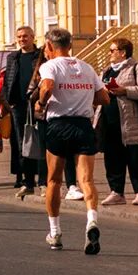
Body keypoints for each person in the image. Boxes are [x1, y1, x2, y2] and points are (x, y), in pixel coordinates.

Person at [35, 27, 108, 254]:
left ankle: (55, 232)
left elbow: (47, 86)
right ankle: (91, 221)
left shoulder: (49, 65)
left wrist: (41, 103)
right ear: (70, 45)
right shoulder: (87, 67)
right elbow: (104, 98)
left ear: (49, 46)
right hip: (83, 126)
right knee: (87, 180)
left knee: (54, 181)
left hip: (59, 125)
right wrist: (83, 98)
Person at [99, 37, 138, 206]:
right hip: (110, 121)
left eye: (112, 50)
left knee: (137, 157)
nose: (110, 53)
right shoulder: (107, 70)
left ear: (123, 52)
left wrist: (124, 91)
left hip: (132, 122)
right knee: (113, 157)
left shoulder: (137, 67)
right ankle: (116, 192)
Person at [5, 26, 44, 194]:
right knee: (23, 144)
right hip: (18, 106)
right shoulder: (13, 57)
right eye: (19, 37)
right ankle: (27, 181)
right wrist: (9, 101)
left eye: (25, 36)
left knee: (41, 141)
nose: (22, 39)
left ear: (33, 37)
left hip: (37, 104)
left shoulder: (41, 56)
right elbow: (8, 79)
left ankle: (43, 181)